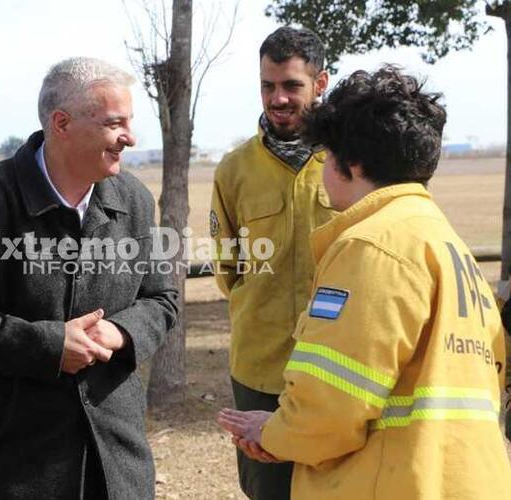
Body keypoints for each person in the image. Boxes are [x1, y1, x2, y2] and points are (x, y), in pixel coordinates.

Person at [217, 65, 511, 499]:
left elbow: (331, 406)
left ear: (348, 164)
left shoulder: (369, 246)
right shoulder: (448, 244)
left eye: (327, 155)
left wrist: (275, 432)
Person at [0, 57, 179, 499]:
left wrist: (120, 333)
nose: (129, 137)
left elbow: (162, 298)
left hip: (117, 462)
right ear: (62, 122)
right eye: (115, 123)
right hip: (16, 465)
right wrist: (48, 347)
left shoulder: (136, 201)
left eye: (130, 122)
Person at [210, 26, 332, 499]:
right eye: (267, 86)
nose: (277, 99)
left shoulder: (354, 161)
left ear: (320, 83)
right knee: (269, 491)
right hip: (261, 369)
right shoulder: (234, 169)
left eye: (291, 86)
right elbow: (227, 271)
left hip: (341, 365)